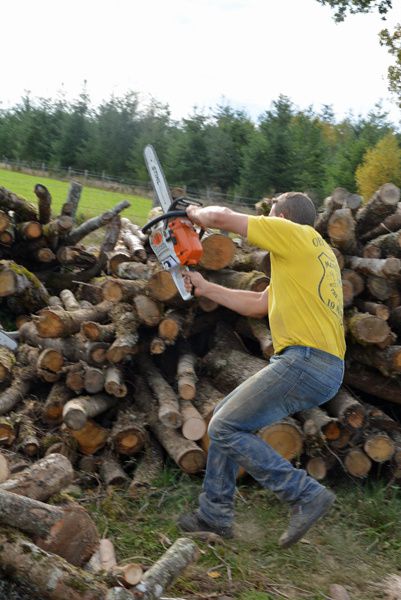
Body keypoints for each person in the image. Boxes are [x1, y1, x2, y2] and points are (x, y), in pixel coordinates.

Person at [178, 192, 345, 548]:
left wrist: (193, 213)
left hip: (306, 360)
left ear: (282, 217)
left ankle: (304, 494)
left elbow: (221, 217)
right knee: (224, 418)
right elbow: (258, 304)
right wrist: (207, 287)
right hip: (322, 366)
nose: (267, 221)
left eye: (270, 214)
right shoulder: (312, 255)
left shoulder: (293, 233)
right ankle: (214, 515)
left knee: (223, 426)